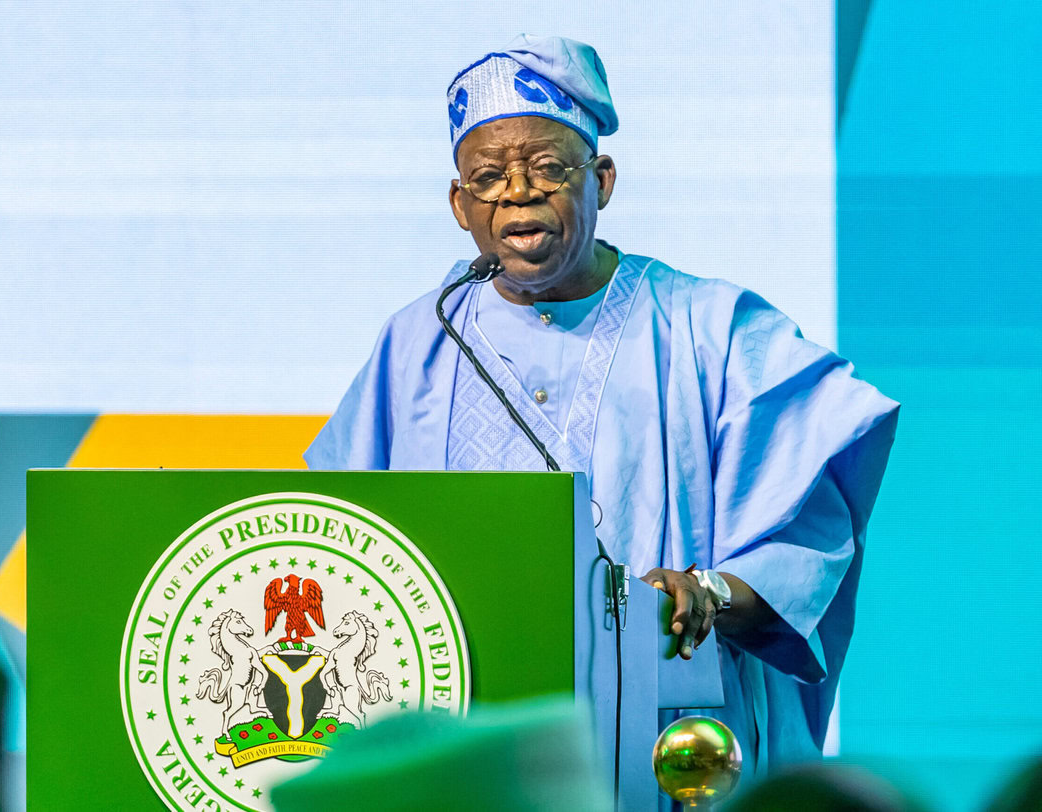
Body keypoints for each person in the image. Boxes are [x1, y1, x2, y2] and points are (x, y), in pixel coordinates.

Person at [305, 34, 899, 780]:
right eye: (488, 177)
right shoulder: (419, 340)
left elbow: (807, 524)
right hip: (470, 734)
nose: (518, 193)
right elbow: (342, 540)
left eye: (549, 169)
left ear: (603, 180)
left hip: (669, 738)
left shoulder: (710, 327)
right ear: (460, 205)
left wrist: (709, 591)